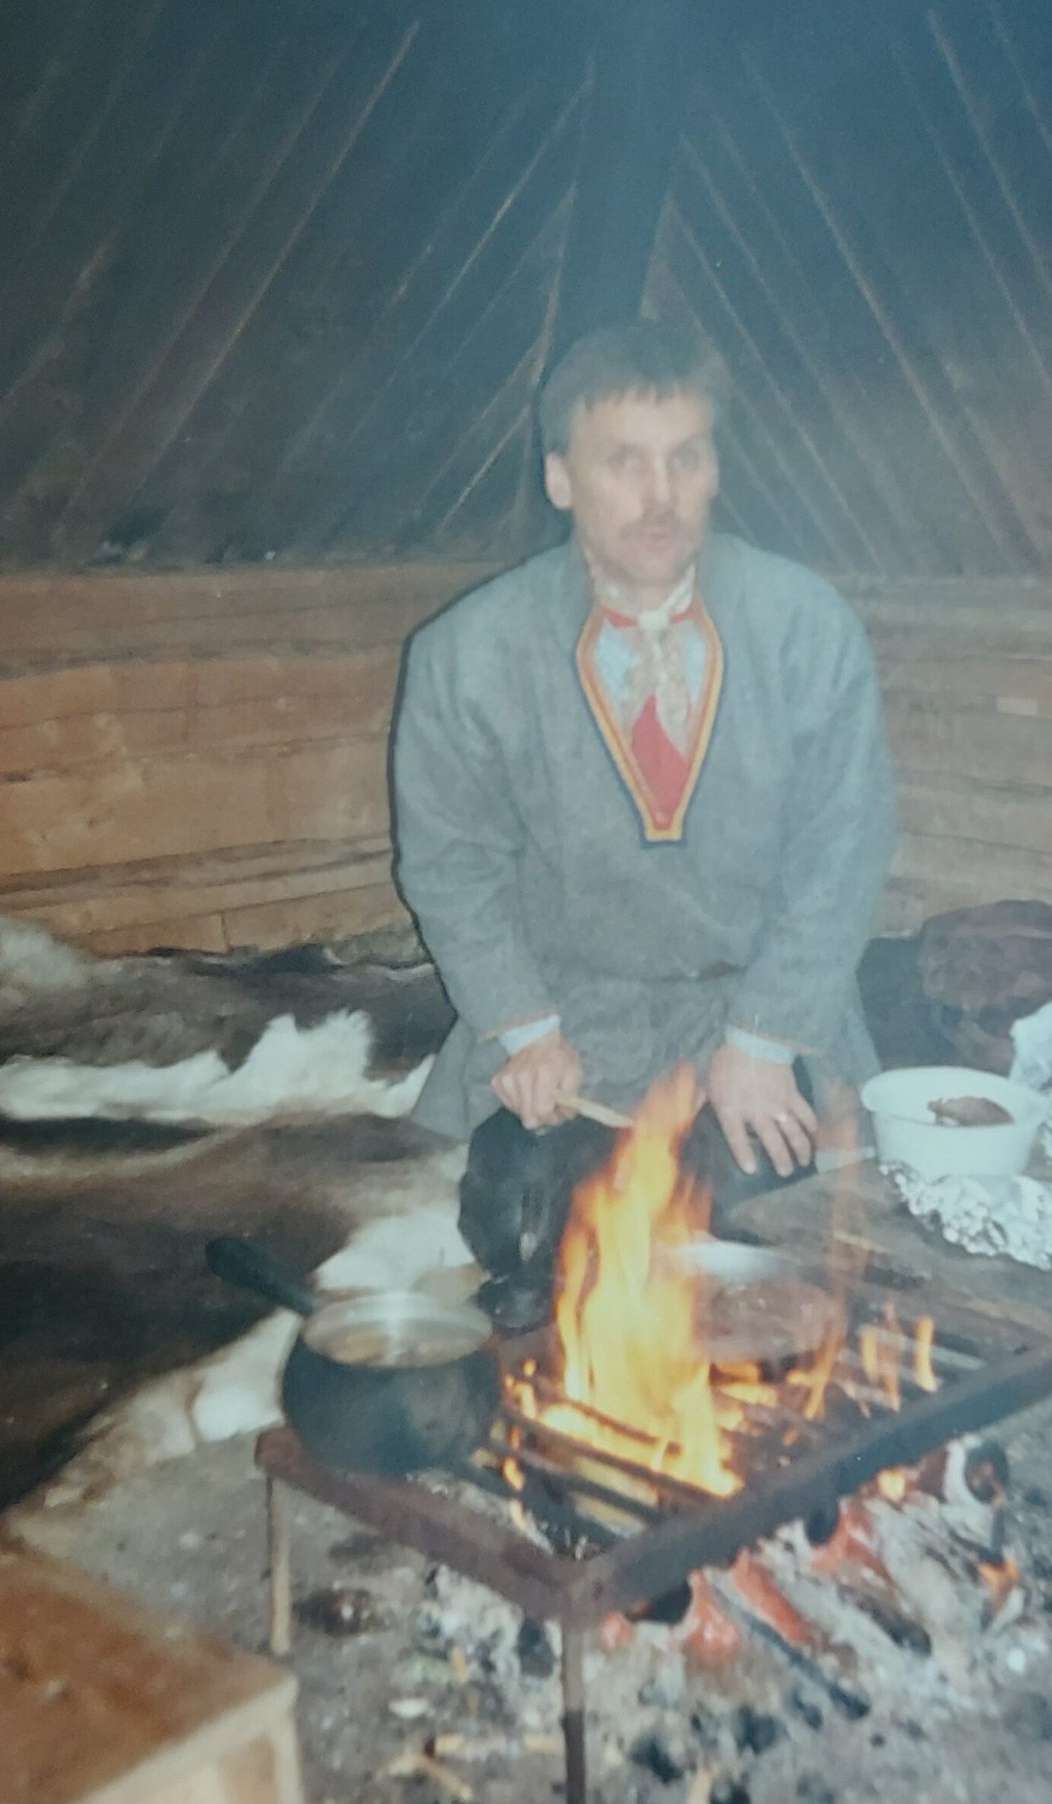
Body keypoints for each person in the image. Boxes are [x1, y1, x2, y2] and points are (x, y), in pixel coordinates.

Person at [392, 321, 895, 1281]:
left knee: (766, 1238)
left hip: (752, 1009)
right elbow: (451, 865)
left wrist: (763, 1040)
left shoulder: (807, 627)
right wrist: (523, 1027)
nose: (659, 496)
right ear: (561, 479)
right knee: (521, 1233)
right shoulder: (467, 654)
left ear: (713, 470)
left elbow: (844, 851)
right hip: (575, 1015)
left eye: (685, 459)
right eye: (623, 462)